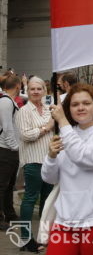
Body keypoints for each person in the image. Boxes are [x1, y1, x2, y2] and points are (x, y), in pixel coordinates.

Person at [43, 84, 93, 254]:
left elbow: (86, 158)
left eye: (86, 103)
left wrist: (62, 122)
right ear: (68, 109)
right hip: (64, 221)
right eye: (75, 104)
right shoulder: (66, 134)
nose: (80, 108)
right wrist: (51, 156)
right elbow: (50, 178)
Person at [15, 77, 55, 252]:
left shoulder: (48, 109)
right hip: (33, 161)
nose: (36, 92)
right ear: (27, 91)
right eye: (32, 89)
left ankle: (43, 236)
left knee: (47, 201)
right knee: (30, 198)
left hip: (50, 161)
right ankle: (25, 238)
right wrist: (46, 127)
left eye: (39, 89)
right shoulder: (24, 111)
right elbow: (26, 135)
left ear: (44, 91)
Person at [0, 73, 20, 232]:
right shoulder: (6, 102)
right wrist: (15, 147)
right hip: (6, 150)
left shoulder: (8, 100)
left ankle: (9, 213)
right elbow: (7, 128)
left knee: (9, 185)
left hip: (9, 149)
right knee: (2, 185)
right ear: (18, 86)